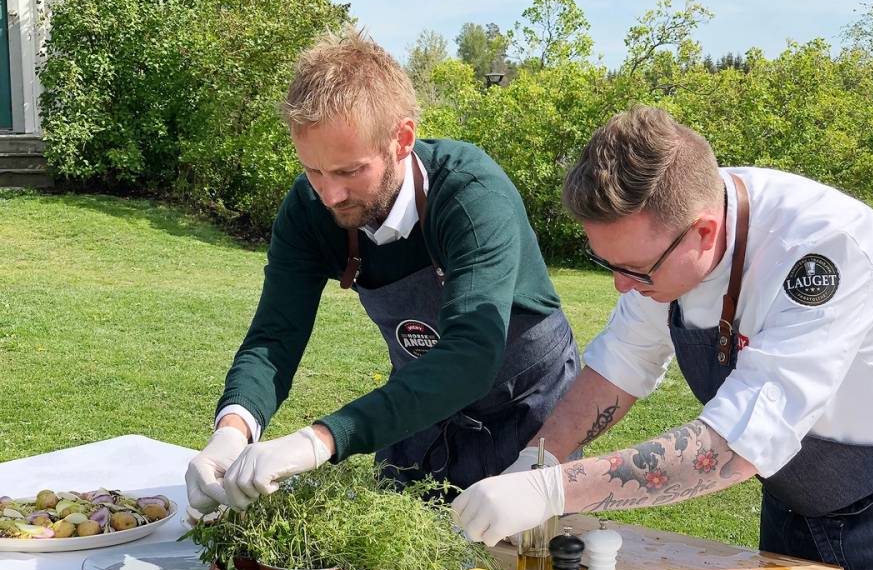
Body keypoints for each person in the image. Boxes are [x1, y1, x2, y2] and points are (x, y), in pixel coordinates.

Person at [452, 105, 873, 570]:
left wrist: (553, 490)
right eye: (609, 266)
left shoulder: (826, 248)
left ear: (704, 233)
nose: (621, 286)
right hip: (795, 492)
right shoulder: (666, 245)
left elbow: (735, 446)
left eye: (634, 271)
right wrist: (539, 457)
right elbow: (621, 362)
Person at [184, 31, 578, 515]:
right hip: (414, 411)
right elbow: (275, 336)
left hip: (527, 411)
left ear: (402, 139)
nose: (329, 194)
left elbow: (471, 355)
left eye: (349, 171)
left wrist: (319, 441)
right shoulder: (310, 209)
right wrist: (232, 430)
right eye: (314, 170)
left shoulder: (472, 195)